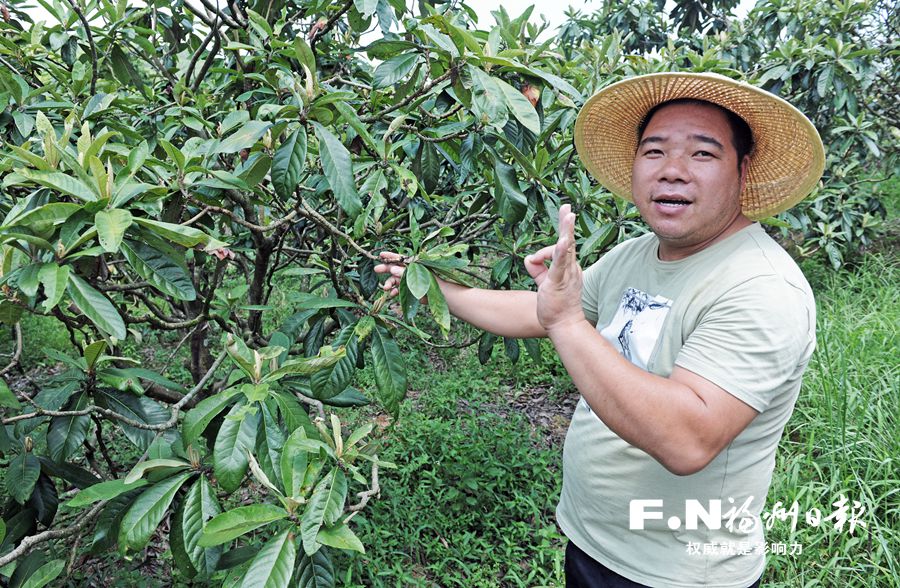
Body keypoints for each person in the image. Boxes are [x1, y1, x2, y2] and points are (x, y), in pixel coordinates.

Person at [375, 72, 825, 588]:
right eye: (654, 152)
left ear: (743, 171)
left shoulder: (761, 288)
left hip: (679, 573)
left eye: (703, 154)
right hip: (594, 543)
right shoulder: (635, 254)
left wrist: (567, 321)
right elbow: (537, 312)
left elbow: (687, 440)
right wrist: (431, 283)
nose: (672, 171)